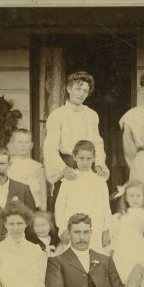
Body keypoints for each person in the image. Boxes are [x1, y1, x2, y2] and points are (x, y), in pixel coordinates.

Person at [42, 71, 110, 203]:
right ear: (69, 88)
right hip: (68, 167)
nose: (81, 94)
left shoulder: (91, 115)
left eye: (85, 90)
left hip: (88, 166)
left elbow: (97, 144)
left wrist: (99, 164)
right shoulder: (57, 115)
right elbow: (50, 149)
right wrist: (63, 168)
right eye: (78, 89)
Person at [53, 140, 111, 253]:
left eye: (88, 158)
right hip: (73, 229)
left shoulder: (100, 181)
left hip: (95, 228)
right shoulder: (68, 181)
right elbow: (59, 207)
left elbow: (105, 208)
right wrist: (62, 229)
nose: (85, 162)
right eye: (81, 158)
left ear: (94, 158)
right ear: (74, 157)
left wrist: (106, 230)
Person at [108, 180, 144, 283]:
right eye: (131, 196)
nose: (135, 199)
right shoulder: (121, 216)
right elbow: (115, 236)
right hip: (125, 251)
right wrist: (113, 250)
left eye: (138, 195)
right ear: (126, 198)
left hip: (142, 250)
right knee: (124, 275)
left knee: (141, 277)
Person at [7, 128, 47, 210]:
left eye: (26, 142)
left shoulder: (38, 167)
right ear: (14, 144)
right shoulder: (8, 165)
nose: (23, 145)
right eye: (19, 142)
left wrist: (44, 210)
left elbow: (43, 192)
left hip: (34, 207)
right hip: (13, 206)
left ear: (31, 145)